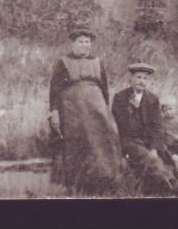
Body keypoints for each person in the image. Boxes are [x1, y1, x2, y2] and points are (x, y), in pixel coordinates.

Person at [48, 28, 122, 194]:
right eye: (81, 42)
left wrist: (105, 111)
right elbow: (54, 90)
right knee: (78, 144)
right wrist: (54, 112)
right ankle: (79, 185)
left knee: (103, 142)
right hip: (72, 111)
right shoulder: (63, 62)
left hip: (96, 109)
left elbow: (104, 88)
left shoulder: (97, 61)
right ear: (73, 43)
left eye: (87, 42)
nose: (85, 45)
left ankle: (105, 181)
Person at [111, 63, 178, 195]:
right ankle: (169, 187)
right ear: (131, 79)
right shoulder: (120, 97)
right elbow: (120, 125)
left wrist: (154, 147)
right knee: (149, 160)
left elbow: (157, 127)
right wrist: (131, 109)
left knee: (167, 158)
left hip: (149, 141)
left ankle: (176, 182)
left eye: (145, 78)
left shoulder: (152, 99)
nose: (141, 81)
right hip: (130, 141)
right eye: (138, 77)